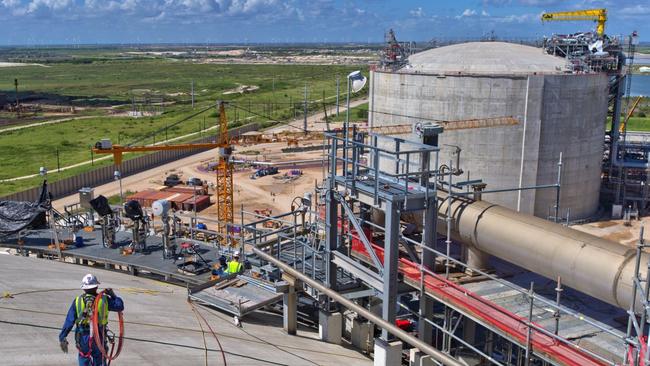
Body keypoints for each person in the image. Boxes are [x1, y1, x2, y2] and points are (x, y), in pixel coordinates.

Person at [59, 274, 124, 366]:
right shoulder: (104, 299)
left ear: (84, 288)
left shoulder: (78, 301)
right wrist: (113, 295)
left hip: (82, 336)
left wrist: (62, 337)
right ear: (96, 286)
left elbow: (69, 321)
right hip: (99, 336)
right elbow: (120, 306)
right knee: (100, 358)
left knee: (84, 357)